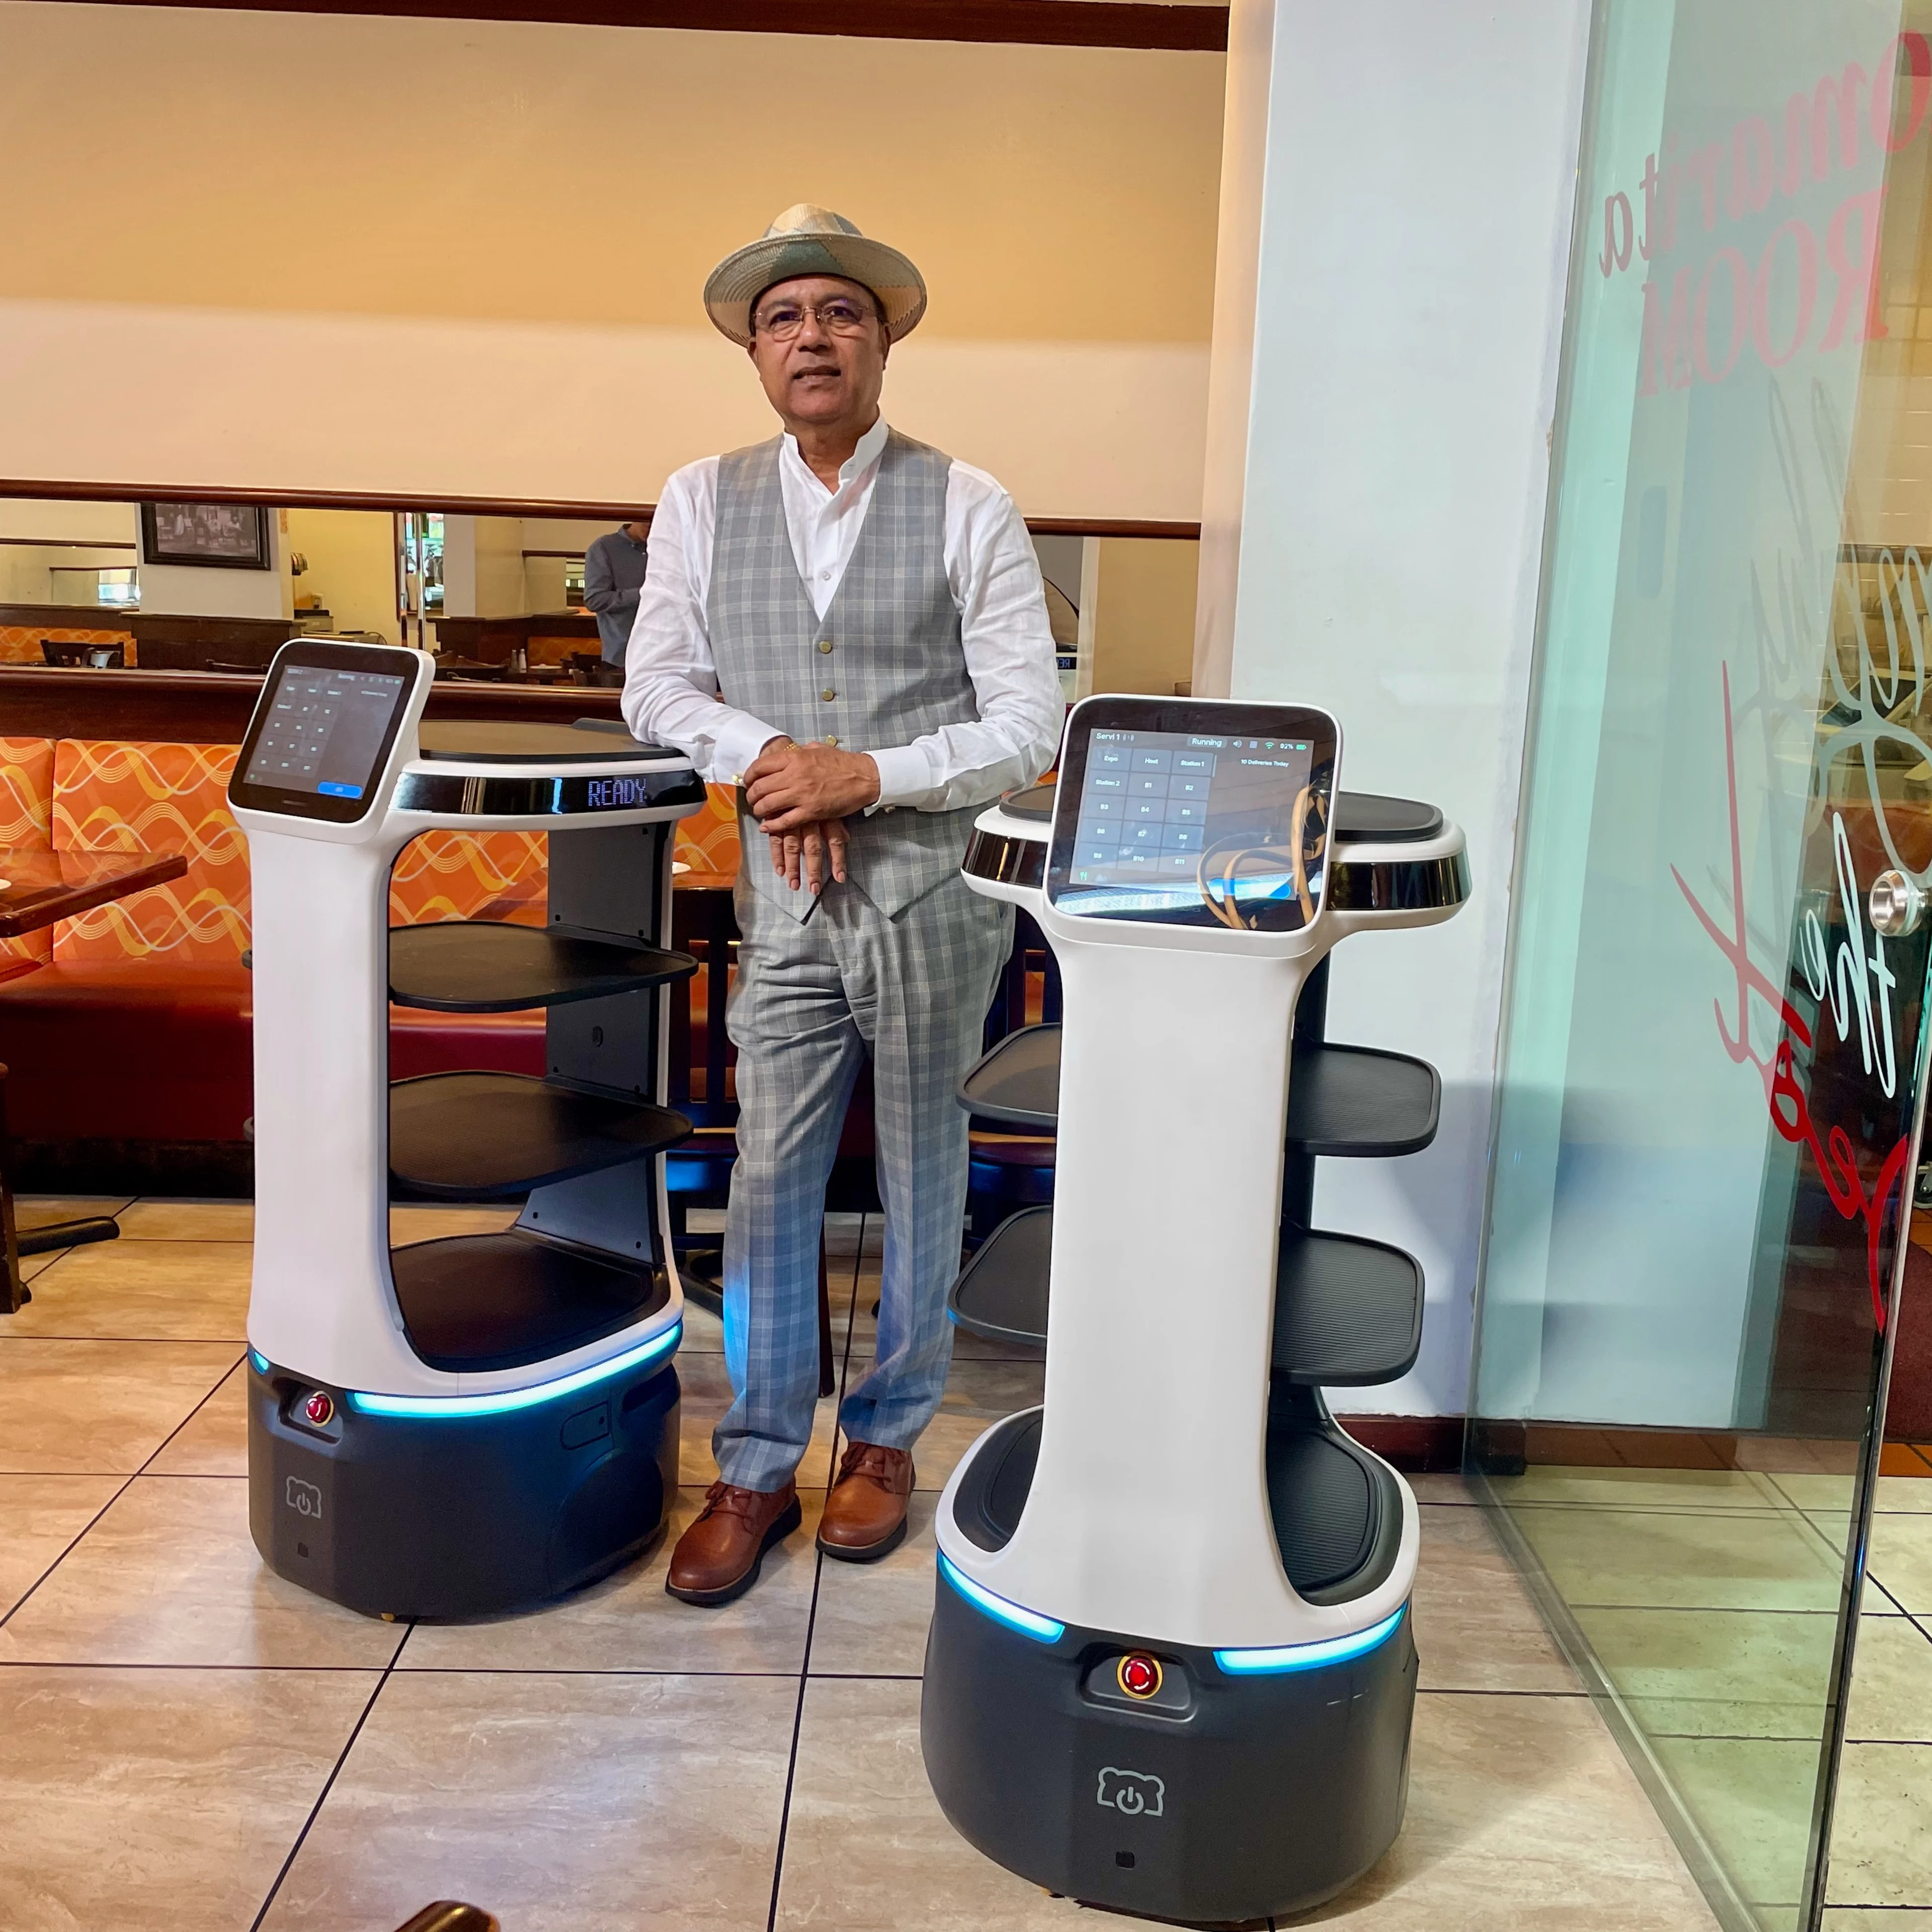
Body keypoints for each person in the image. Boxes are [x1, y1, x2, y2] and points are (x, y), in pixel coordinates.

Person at [622, 204, 1063, 1606]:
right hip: (787, 902)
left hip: (933, 893)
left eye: (839, 313)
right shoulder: (700, 497)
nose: (811, 337)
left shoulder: (970, 501)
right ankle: (755, 1460)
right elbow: (658, 686)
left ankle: (885, 1438)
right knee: (770, 1178)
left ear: (883, 340)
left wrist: (862, 774)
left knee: (929, 1166)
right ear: (756, 352)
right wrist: (767, 763)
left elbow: (1025, 726)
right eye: (782, 318)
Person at [583, 519, 652, 685]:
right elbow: (594, 600)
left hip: (665, 659)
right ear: (634, 517)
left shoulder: (667, 549)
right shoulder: (604, 547)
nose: (653, 528)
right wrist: (644, 594)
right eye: (649, 523)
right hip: (621, 660)